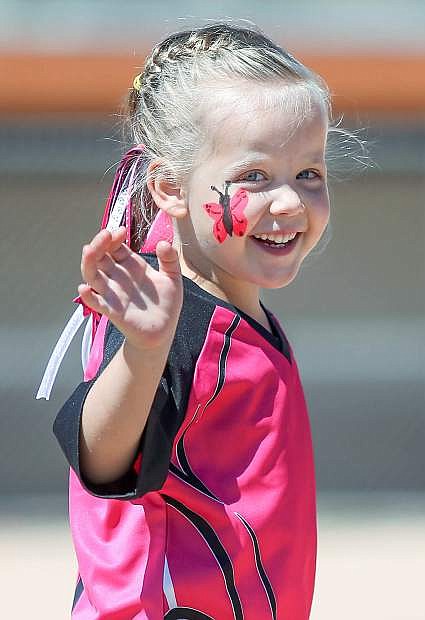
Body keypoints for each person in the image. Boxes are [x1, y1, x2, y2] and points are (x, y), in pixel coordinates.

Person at [53, 22, 333, 619]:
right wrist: (143, 352)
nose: (289, 202)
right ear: (170, 186)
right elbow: (101, 464)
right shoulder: (169, 319)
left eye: (309, 173)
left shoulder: (234, 310)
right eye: (254, 176)